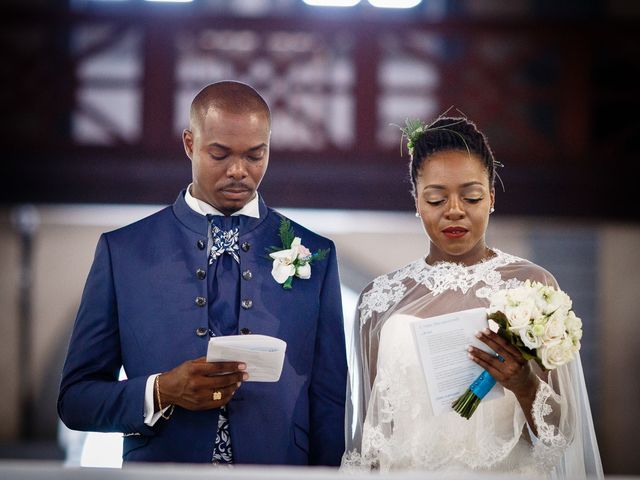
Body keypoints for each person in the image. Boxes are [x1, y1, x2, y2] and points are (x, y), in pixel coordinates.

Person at [58, 81, 347, 465]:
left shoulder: (316, 254)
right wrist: (161, 391)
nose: (239, 171)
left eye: (255, 155)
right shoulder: (123, 252)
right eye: (220, 154)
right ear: (190, 144)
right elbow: (75, 400)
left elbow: (330, 399)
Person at [342, 116, 603, 478]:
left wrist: (526, 386)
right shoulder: (379, 299)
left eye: (471, 196)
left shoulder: (532, 287)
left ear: (491, 197)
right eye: (436, 198)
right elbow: (369, 438)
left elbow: (561, 436)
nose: (454, 210)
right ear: (416, 200)